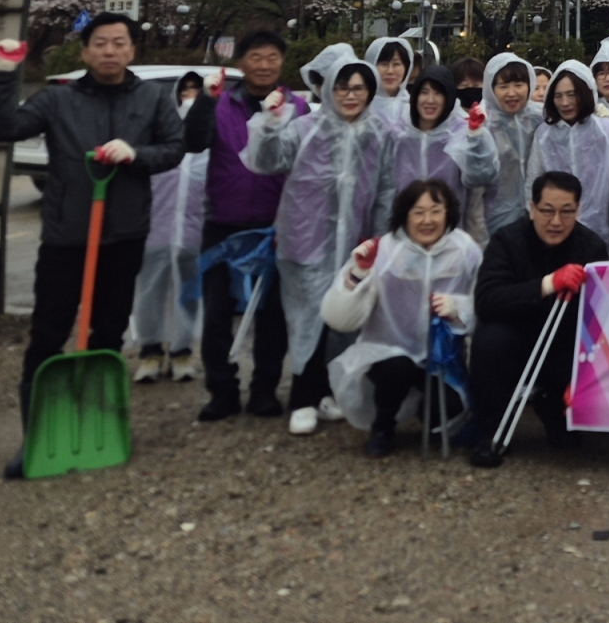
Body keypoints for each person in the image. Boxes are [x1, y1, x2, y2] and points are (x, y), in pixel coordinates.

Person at [0, 13, 185, 476]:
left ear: (133, 50)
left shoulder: (151, 98)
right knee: (48, 335)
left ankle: (97, 424)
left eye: (119, 42)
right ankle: (36, 437)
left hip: (124, 236)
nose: (110, 51)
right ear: (85, 51)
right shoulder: (58, 99)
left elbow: (175, 148)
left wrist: (136, 155)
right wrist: (1, 74)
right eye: (100, 43)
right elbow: (5, 128)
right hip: (66, 237)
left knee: (107, 335)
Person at [244, 47, 391, 436]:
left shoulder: (380, 134)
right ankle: (302, 399)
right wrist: (271, 121)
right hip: (304, 241)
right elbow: (265, 160)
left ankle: (327, 393)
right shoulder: (305, 129)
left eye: (359, 88)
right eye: (342, 87)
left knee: (342, 319)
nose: (351, 95)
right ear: (329, 90)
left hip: (354, 243)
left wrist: (378, 239)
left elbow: (386, 191)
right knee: (306, 319)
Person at [180, 30, 306, 422]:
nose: (264, 64)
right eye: (256, 57)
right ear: (241, 63)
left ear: (281, 62)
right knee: (217, 312)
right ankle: (222, 391)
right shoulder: (220, 105)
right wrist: (203, 100)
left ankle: (265, 390)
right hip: (223, 222)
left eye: (272, 56)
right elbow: (194, 143)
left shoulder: (297, 108)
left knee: (270, 314)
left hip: (275, 225)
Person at [320, 178, 481, 457]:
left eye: (435, 211)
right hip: (387, 352)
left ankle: (426, 413)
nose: (427, 220)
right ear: (404, 215)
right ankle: (383, 426)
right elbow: (338, 318)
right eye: (418, 212)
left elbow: (483, 302)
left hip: (439, 360)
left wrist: (458, 308)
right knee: (398, 368)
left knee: (447, 413)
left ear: (449, 213)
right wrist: (358, 274)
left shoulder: (465, 249)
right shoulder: (383, 251)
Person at [466, 171, 609, 467]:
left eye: (566, 212)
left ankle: (554, 408)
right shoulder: (507, 241)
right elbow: (487, 301)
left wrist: (588, 374)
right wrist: (548, 284)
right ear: (532, 208)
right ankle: (491, 429)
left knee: (569, 441)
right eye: (547, 211)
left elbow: (601, 318)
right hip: (514, 340)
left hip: (563, 346)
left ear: (578, 210)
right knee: (489, 341)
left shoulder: (591, 247)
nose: (556, 221)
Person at [132, 71, 208, 384]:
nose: (190, 95)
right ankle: (150, 351)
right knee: (149, 291)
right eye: (185, 89)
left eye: (196, 90)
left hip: (192, 232)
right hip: (156, 229)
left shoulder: (209, 141)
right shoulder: (160, 135)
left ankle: (181, 351)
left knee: (188, 292)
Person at [376, 63, 499, 240]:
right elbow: (385, 190)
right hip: (404, 237)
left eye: (438, 93)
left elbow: (480, 178)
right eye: (424, 92)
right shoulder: (398, 135)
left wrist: (475, 139)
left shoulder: (462, 132)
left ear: (448, 97)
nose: (430, 100)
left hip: (450, 236)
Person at [523, 61, 609, 241]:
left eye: (572, 94)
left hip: (600, 237)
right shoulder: (544, 135)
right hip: (554, 236)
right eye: (558, 96)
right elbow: (533, 185)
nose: (565, 102)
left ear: (585, 93)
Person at [464, 53, 539, 241]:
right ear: (491, 89)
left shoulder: (539, 118)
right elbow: (475, 187)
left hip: (538, 218)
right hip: (494, 219)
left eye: (519, 85)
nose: (512, 93)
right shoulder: (483, 124)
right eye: (503, 86)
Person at [364, 37, 414, 132]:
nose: (390, 71)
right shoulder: (361, 105)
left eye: (396, 64)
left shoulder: (413, 106)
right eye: (384, 64)